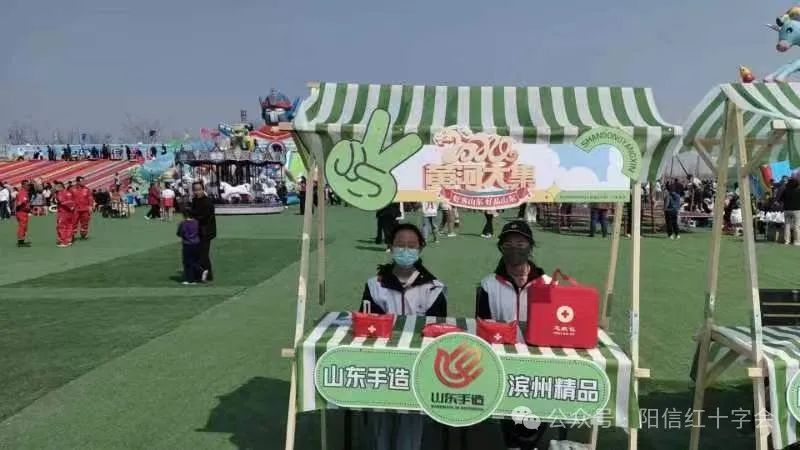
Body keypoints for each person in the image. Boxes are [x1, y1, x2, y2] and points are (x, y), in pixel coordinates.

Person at [360, 223, 446, 450]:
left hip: (418, 365)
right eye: (400, 244)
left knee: (411, 417)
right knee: (380, 414)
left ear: (421, 248)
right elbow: (367, 326)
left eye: (411, 245)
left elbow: (438, 332)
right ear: (390, 247)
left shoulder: (434, 288)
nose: (405, 250)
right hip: (381, 365)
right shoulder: (375, 285)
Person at [475, 221, 551, 450]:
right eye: (508, 244)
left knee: (535, 418)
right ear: (500, 247)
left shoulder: (547, 284)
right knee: (510, 416)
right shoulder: (488, 285)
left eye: (521, 243)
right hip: (504, 363)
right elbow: (483, 326)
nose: (514, 248)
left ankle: (530, 443)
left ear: (531, 246)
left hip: (540, 364)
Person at [191, 182, 217, 282]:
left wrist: (193, 215)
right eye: (195, 190)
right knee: (199, 253)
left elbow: (205, 217)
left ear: (203, 190)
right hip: (197, 231)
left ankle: (205, 273)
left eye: (199, 189)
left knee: (203, 254)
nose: (197, 192)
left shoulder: (208, 202)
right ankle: (205, 274)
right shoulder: (194, 200)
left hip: (206, 231)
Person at [176, 208, 202, 284]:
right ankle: (196, 277)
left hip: (187, 244)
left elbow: (179, 233)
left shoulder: (183, 223)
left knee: (187, 262)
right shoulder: (196, 222)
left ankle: (189, 279)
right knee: (195, 261)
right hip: (196, 243)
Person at [54, 182, 76, 247]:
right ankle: (69, 240)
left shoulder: (60, 193)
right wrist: (72, 207)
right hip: (70, 213)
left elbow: (62, 201)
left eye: (56, 187)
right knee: (69, 226)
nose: (55, 188)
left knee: (61, 227)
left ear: (60, 187)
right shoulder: (69, 192)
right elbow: (72, 201)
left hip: (63, 212)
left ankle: (63, 242)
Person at [780, 177, 800, 245]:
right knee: (796, 226)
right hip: (797, 210)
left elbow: (781, 199)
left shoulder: (785, 191)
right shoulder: (799, 191)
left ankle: (787, 241)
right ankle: (796, 241)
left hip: (787, 210)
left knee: (787, 225)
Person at [15, 180, 32, 247]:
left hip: (23, 212)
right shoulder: (22, 192)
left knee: (24, 227)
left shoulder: (24, 192)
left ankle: (22, 240)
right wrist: (19, 206)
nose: (29, 186)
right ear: (23, 185)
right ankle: (20, 242)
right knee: (22, 227)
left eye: (29, 185)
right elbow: (20, 202)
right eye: (27, 185)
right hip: (22, 212)